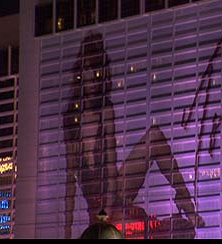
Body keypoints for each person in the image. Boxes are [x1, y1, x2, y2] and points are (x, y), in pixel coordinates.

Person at [63, 32, 204, 239]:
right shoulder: (71, 119)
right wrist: (67, 231)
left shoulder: (105, 110)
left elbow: (111, 168)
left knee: (154, 136)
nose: (92, 76)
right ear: (81, 73)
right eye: (88, 69)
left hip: (114, 194)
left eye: (97, 69)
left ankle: (185, 201)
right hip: (97, 207)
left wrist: (108, 210)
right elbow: (70, 178)